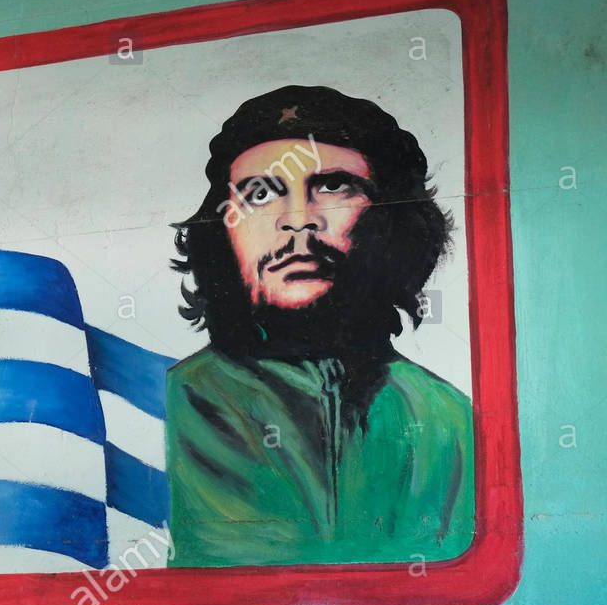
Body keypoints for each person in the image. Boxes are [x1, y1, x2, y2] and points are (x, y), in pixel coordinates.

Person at [166, 85, 473, 567]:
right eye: (259, 193)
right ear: (222, 229)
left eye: (332, 187)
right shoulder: (181, 400)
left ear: (390, 220)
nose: (297, 223)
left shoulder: (447, 417)